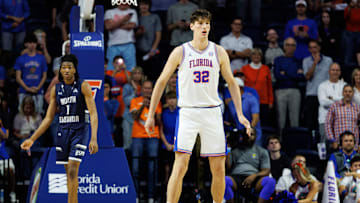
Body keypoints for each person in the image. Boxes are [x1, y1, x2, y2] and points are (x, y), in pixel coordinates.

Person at [144, 9, 251, 203]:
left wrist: (241, 113)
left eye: (207, 23)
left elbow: (232, 83)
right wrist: (151, 114)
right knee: (180, 165)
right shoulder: (181, 51)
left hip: (212, 113)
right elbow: (160, 82)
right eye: (200, 23)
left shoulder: (218, 51)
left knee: (218, 168)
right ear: (192, 26)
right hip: (188, 113)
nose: (204, 27)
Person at [20, 54, 99, 203]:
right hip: (63, 132)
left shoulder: (83, 85)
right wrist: (32, 139)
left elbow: (94, 113)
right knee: (68, 174)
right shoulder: (56, 89)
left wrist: (93, 138)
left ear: (75, 69)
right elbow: (49, 118)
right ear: (60, 71)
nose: (67, 70)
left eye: (70, 67)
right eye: (64, 67)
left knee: (73, 170)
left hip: (79, 130)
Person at [130, 80, 162, 203]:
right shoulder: (135, 101)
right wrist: (143, 105)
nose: (147, 91)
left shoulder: (157, 102)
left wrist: (151, 107)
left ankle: (151, 197)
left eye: (150, 88)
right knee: (136, 168)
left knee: (152, 169)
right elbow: (135, 117)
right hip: (137, 137)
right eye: (145, 88)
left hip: (152, 137)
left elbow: (159, 122)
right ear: (141, 89)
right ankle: (136, 196)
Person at [224, 129, 276, 203]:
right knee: (225, 180)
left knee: (270, 181)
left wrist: (254, 176)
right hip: (236, 177)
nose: (249, 136)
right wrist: (228, 150)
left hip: (255, 179)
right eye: (247, 134)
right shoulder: (234, 151)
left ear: (255, 136)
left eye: (251, 134)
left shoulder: (262, 151)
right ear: (243, 136)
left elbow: (266, 171)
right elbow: (227, 168)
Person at [273, 37, 305, 134]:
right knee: (281, 120)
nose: (290, 47)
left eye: (292, 45)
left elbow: (300, 77)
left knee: (294, 120)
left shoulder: (299, 61)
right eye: (288, 45)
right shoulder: (278, 60)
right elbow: (278, 75)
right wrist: (293, 74)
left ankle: (294, 141)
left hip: (295, 91)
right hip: (280, 91)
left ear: (295, 47)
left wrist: (285, 72)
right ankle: (280, 141)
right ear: (284, 47)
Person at [302, 39, 333, 132]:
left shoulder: (328, 60)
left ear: (319, 48)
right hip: (312, 94)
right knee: (311, 122)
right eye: (311, 48)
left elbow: (331, 77)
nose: (313, 50)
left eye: (315, 47)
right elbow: (307, 77)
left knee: (325, 121)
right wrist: (314, 63)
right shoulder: (306, 61)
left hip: (325, 95)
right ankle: (311, 143)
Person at [15, 33, 48, 114]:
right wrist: (27, 88)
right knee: (22, 112)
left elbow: (44, 75)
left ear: (36, 44)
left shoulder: (41, 58)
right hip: (24, 91)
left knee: (39, 113)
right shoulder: (20, 59)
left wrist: (38, 88)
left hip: (38, 91)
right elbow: (18, 77)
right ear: (25, 44)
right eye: (29, 42)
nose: (32, 45)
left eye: (33, 42)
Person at [241, 48, 273, 127]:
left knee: (264, 124)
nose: (256, 56)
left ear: (261, 57)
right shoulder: (244, 69)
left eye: (258, 54)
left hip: (263, 101)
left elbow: (269, 86)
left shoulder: (266, 69)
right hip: (249, 101)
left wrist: (270, 101)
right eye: (254, 54)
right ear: (250, 56)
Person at [104, 2, 138, 71]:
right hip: (113, 45)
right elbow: (108, 26)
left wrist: (114, 25)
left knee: (130, 69)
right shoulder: (109, 12)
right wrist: (124, 20)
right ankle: (110, 82)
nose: (123, 2)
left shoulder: (132, 11)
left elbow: (132, 25)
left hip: (128, 44)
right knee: (110, 69)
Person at [325, 85, 360, 150]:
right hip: (338, 144)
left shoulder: (357, 107)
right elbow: (328, 124)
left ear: (353, 94)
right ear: (342, 93)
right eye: (345, 91)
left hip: (354, 145)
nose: (348, 93)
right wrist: (332, 140)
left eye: (350, 92)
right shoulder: (334, 106)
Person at [317, 63, 345, 142]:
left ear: (340, 72)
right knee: (325, 146)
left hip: (340, 121)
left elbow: (345, 101)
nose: (335, 72)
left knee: (340, 145)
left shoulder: (344, 85)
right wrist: (339, 100)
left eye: (337, 70)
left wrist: (331, 98)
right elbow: (323, 102)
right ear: (329, 71)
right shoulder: (322, 86)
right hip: (325, 120)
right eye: (333, 70)